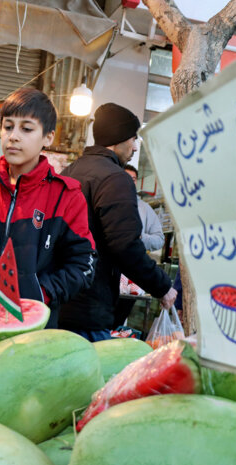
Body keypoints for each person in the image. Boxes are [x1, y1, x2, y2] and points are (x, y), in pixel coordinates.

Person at [0, 88, 96, 327]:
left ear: (48, 137)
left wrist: (42, 294)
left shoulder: (66, 198)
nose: (13, 136)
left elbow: (83, 264)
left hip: (30, 330)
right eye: (8, 126)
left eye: (27, 128)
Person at [59, 102, 177, 341]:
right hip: (89, 308)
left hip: (58, 299)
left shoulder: (69, 172)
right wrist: (162, 286)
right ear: (119, 138)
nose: (134, 148)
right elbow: (125, 245)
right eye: (133, 139)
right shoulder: (115, 179)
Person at [124, 164, 164, 252]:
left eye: (133, 179)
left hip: (133, 262)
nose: (130, 181)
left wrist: (141, 237)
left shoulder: (144, 208)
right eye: (126, 177)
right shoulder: (107, 202)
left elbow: (159, 240)